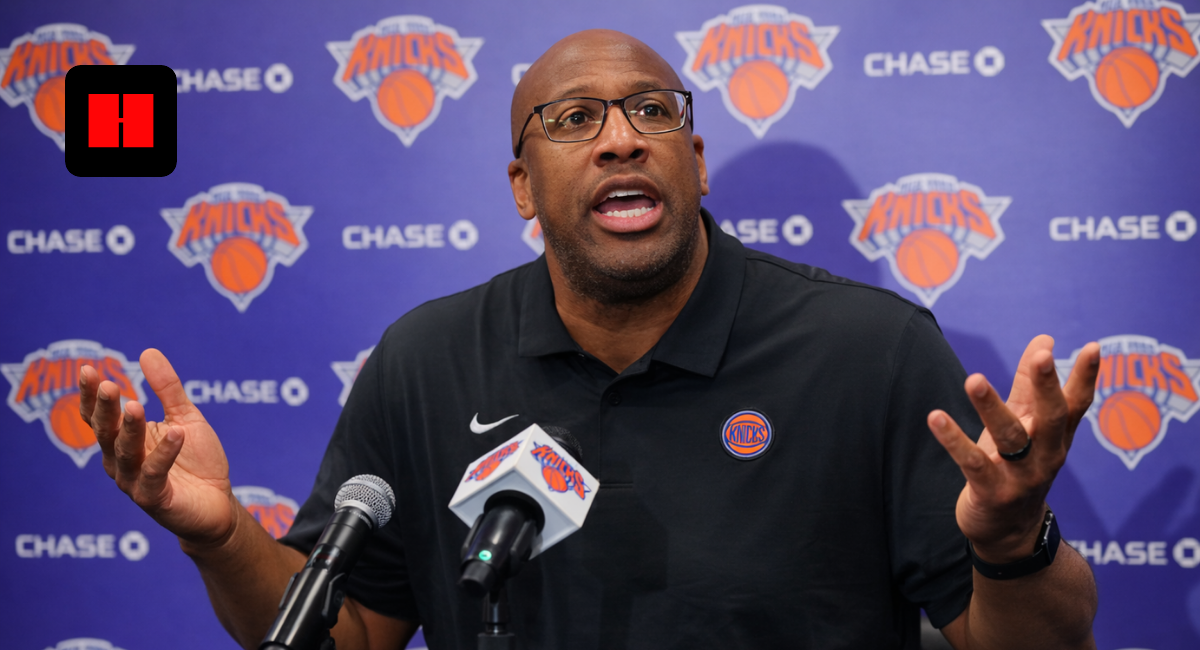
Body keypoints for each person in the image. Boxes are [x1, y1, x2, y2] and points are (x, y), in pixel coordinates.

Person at [79, 30, 1101, 649]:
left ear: (694, 161)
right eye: (573, 117)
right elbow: (347, 635)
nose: (621, 135)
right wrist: (217, 534)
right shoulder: (426, 359)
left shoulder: (870, 350)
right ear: (522, 185)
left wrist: (1016, 542)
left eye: (651, 110)